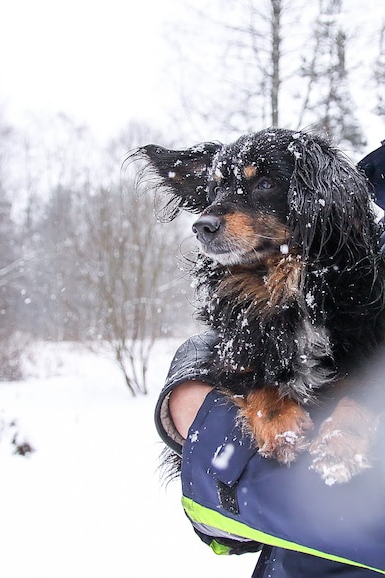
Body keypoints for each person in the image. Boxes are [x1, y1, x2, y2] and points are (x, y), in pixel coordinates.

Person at [154, 143, 385, 577]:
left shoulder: (360, 275)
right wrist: (218, 385)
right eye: (220, 191)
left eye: (262, 184)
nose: (212, 217)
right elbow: (223, 527)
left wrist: (203, 420)